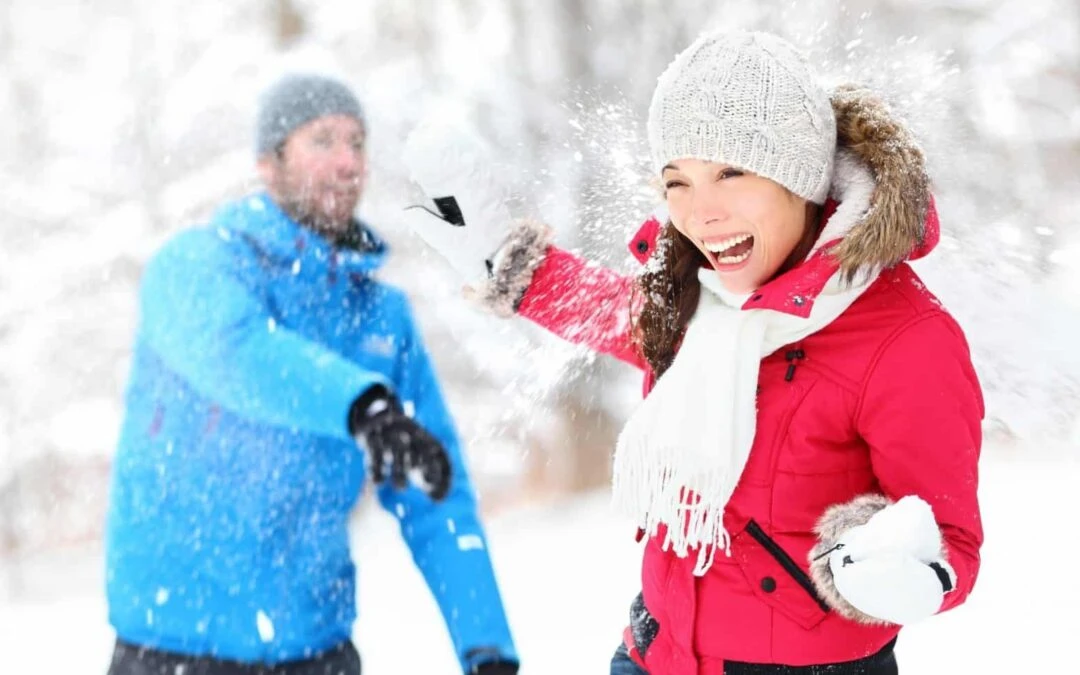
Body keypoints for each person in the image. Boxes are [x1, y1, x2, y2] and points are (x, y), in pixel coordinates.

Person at [404, 31, 983, 675]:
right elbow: (615, 313)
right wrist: (513, 266)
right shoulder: (695, 296)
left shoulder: (906, 339)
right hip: (657, 650)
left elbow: (951, 543)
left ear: (802, 176)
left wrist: (897, 567)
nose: (700, 215)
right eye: (677, 181)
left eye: (730, 172)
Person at [103, 73, 519, 675]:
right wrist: (361, 406)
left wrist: (487, 649)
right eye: (322, 140)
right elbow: (239, 352)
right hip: (172, 650)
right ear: (268, 163)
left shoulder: (381, 317)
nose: (348, 162)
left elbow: (433, 491)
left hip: (317, 650)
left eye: (357, 142)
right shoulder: (193, 265)